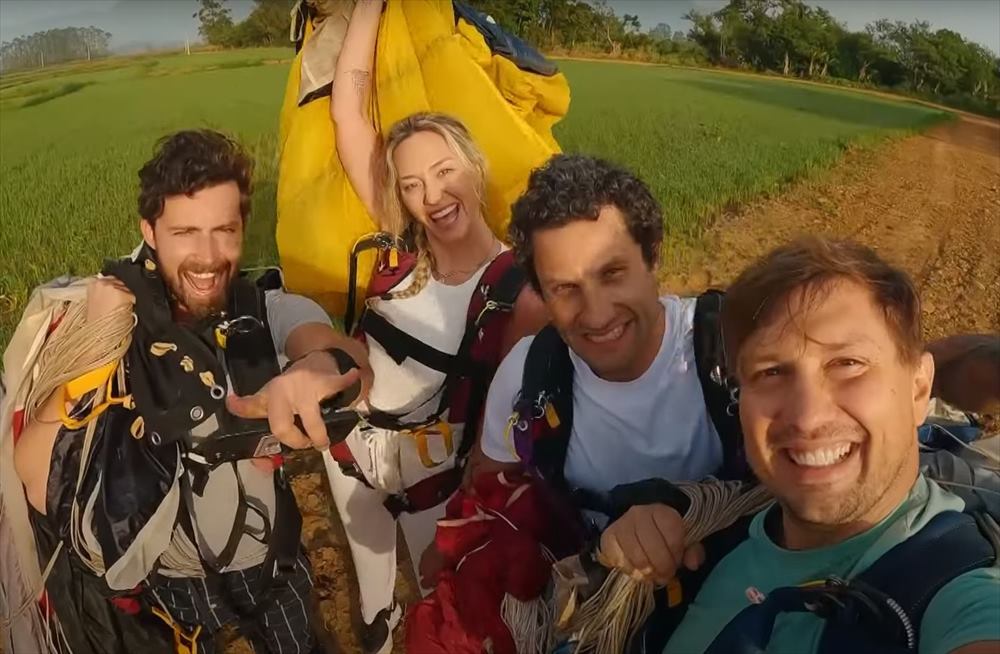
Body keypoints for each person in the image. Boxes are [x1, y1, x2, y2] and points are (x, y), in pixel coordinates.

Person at [12, 129, 369, 654]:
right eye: (185, 232)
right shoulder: (112, 326)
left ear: (244, 229)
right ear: (150, 232)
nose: (207, 257)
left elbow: (348, 360)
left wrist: (318, 369)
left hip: (272, 570)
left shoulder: (266, 310)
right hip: (162, 590)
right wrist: (94, 355)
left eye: (224, 230)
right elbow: (33, 472)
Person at [629, 237, 999, 653]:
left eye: (847, 364)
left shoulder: (958, 590)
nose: (807, 417)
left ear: (918, 391)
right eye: (771, 372)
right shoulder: (712, 539)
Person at [326, 2, 547, 652]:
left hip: (437, 488)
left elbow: (507, 429)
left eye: (446, 172)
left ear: (475, 167)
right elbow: (349, 105)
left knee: (440, 611)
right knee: (376, 611)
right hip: (350, 459)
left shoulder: (517, 289)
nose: (433, 195)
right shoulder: (399, 250)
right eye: (414, 183)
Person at [473, 154, 742, 587]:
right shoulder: (527, 374)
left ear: (652, 257)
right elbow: (490, 486)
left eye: (612, 273)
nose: (596, 315)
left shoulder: (731, 354)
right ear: (541, 293)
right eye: (565, 289)